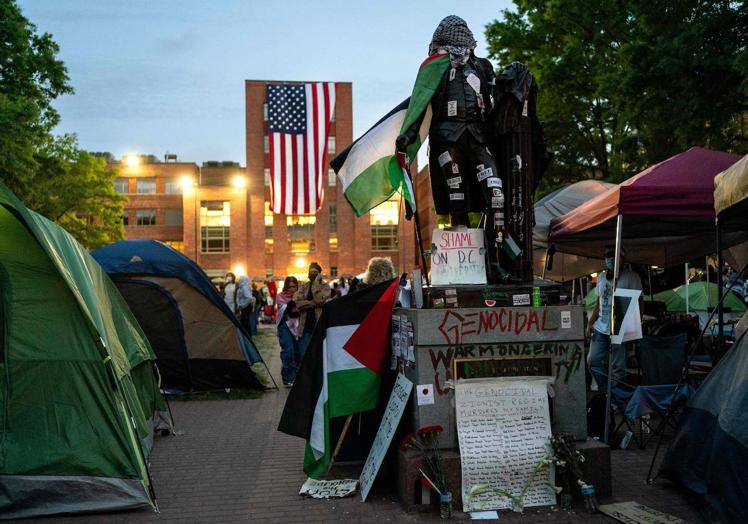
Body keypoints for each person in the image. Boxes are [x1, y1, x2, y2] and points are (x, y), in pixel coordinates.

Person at [396, 15, 508, 282]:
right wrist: (408, 135)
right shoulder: (435, 69)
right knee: (457, 197)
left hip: (479, 138)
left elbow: (498, 97)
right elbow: (421, 103)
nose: (460, 32)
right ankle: (465, 267)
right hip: (448, 139)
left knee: (496, 193)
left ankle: (494, 262)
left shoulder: (482, 66)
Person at [586, 246, 643, 394]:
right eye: (607, 256)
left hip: (620, 326)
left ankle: (616, 397)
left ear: (622, 258)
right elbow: (599, 303)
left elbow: (639, 302)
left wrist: (637, 324)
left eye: (613, 256)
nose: (609, 259)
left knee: (618, 366)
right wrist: (590, 322)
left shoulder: (632, 277)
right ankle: (607, 391)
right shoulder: (601, 277)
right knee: (593, 361)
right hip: (601, 326)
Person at [293, 262, 331, 360]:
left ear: (319, 274)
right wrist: (313, 304)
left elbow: (319, 299)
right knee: (303, 356)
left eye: (315, 272)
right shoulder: (304, 286)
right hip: (304, 327)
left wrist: (316, 285)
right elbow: (297, 303)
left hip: (318, 326)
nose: (312, 274)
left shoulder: (325, 287)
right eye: (311, 272)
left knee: (318, 357)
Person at [276, 276, 300, 386]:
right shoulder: (280, 296)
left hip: (297, 327)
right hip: (284, 326)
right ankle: (287, 378)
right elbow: (284, 309)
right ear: (286, 286)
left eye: (294, 286)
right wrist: (293, 303)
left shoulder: (300, 296)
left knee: (296, 352)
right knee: (288, 350)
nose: (292, 289)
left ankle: (294, 376)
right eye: (290, 286)